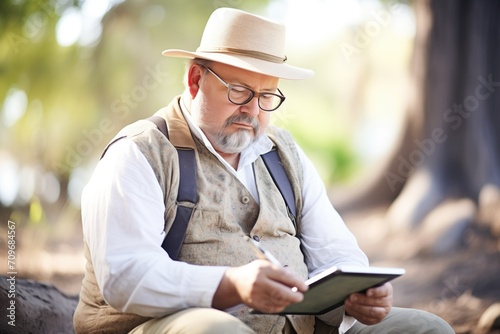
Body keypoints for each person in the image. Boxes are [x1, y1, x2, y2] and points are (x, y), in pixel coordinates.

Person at [73, 7, 455, 334]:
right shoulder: (140, 153)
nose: (253, 111)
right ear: (195, 80)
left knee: (427, 328)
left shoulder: (283, 153)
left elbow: (337, 252)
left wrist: (356, 297)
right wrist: (231, 285)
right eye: (239, 91)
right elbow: (125, 276)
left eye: (267, 96)